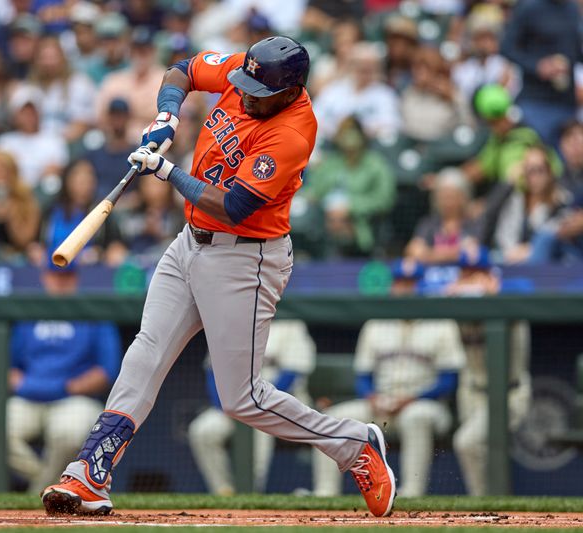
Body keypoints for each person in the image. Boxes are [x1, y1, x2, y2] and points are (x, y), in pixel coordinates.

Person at [41, 36, 397, 518]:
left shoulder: (293, 131)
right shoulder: (250, 73)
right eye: (243, 83)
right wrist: (166, 116)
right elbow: (182, 71)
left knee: (243, 399)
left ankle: (353, 443)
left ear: (290, 91)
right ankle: (91, 471)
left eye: (257, 91)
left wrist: (167, 171)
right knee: (147, 351)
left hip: (246, 259)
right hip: (189, 242)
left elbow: (233, 208)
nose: (244, 93)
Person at [313, 260, 465, 498]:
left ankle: (412, 493)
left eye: (411, 283)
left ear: (422, 287)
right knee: (331, 419)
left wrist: (414, 398)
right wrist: (371, 396)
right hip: (381, 403)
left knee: (416, 416)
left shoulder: (442, 323)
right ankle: (325, 492)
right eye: (400, 283)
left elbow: (450, 379)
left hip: (426, 404)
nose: (405, 289)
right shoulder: (376, 323)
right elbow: (362, 376)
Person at [7, 242, 121, 493]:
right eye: (56, 276)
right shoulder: (29, 313)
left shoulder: (93, 312)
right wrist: (28, 385)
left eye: (66, 276)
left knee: (69, 433)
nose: (61, 282)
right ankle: (45, 485)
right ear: (45, 277)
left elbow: (107, 371)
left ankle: (38, 491)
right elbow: (8, 368)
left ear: (76, 276)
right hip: (29, 398)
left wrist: (68, 386)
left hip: (74, 398)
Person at [189, 320, 316, 495]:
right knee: (203, 430)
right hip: (232, 407)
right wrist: (227, 406)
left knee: (259, 430)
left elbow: (292, 373)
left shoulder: (291, 327)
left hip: (277, 407)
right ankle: (224, 492)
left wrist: (259, 405)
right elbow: (213, 372)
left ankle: (250, 492)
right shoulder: (227, 324)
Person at [445, 253, 532, 496]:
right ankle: (488, 505)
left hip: (509, 393)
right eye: (465, 272)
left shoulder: (509, 296)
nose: (470, 278)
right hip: (471, 392)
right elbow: (415, 292)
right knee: (479, 450)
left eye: (477, 272)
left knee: (467, 443)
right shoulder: (454, 300)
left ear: (490, 275)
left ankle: (485, 503)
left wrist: (494, 291)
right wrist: (450, 293)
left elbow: (528, 289)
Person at [302, 116, 396, 257]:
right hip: (324, 223)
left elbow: (385, 199)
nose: (349, 137)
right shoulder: (330, 163)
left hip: (361, 224)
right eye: (345, 132)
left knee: (339, 221)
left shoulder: (376, 164)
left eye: (353, 131)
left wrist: (350, 206)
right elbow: (314, 191)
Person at [500, 0, 582, 149]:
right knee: (540, 157)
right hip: (536, 101)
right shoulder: (529, 7)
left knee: (570, 163)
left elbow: (575, 50)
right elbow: (506, 47)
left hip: (567, 103)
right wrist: (537, 66)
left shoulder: (572, 8)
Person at [475, 146, 575, 264]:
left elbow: (558, 234)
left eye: (539, 170)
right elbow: (488, 218)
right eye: (529, 171)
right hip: (508, 258)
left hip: (546, 266)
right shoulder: (515, 200)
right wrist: (509, 182)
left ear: (549, 172)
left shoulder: (561, 200)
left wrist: (530, 249)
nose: (534, 177)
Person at [460, 85, 562, 191]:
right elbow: (481, 169)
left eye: (496, 120)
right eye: (491, 123)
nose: (495, 126)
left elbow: (551, 170)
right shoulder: (496, 139)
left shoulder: (528, 136)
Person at [314, 42, 401, 142]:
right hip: (333, 145)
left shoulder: (385, 94)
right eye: (359, 64)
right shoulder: (334, 90)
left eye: (369, 66)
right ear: (351, 65)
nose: (363, 69)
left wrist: (362, 131)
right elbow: (316, 118)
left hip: (369, 147)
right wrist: (337, 130)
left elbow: (392, 123)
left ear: (376, 68)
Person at [95, 27, 168, 140]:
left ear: (153, 51)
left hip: (153, 142)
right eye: (136, 49)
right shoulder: (114, 79)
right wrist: (144, 112)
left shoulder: (166, 78)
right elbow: (101, 116)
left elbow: (166, 116)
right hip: (116, 140)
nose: (140, 54)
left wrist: (123, 113)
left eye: (145, 50)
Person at [0, 84, 69, 189]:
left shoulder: (54, 140)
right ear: (15, 115)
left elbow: (55, 170)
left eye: (33, 111)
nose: (29, 116)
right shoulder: (5, 142)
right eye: (24, 112)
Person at [29, 36, 97, 143]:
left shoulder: (79, 84)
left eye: (52, 57)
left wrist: (55, 143)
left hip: (70, 143)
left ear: (62, 58)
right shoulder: (31, 87)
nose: (48, 63)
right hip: (37, 143)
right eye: (44, 58)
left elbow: (82, 123)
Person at [406, 167, 479, 264]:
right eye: (443, 197)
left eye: (452, 197)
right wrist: (454, 253)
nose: (447, 202)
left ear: (463, 198)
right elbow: (413, 250)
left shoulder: (473, 223)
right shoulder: (428, 223)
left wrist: (429, 255)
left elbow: (473, 252)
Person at [401, 46, 473, 142]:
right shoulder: (409, 94)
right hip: (414, 143)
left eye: (425, 68)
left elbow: (469, 125)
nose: (418, 73)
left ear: (437, 70)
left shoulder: (451, 93)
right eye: (416, 68)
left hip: (444, 147)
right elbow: (408, 125)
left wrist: (454, 98)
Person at [84, 98, 137, 200]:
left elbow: (142, 192)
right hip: (97, 206)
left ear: (128, 118)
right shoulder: (94, 154)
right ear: (108, 118)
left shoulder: (138, 154)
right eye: (114, 115)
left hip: (129, 210)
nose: (117, 119)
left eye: (121, 115)